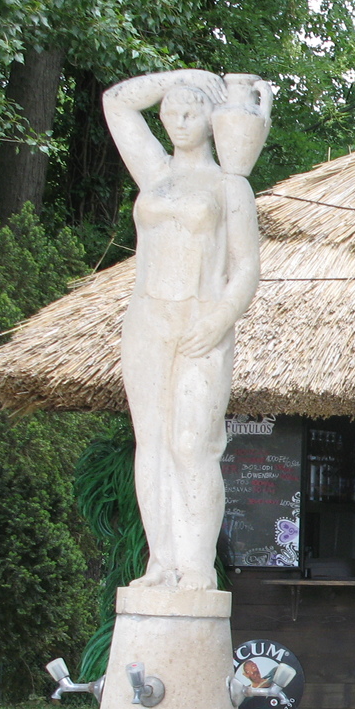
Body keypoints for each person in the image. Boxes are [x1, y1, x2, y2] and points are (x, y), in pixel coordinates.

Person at [104, 70, 268, 592]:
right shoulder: (154, 173)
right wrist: (182, 78)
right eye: (170, 112)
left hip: (201, 317)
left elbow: (246, 268)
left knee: (192, 443)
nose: (177, 121)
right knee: (149, 442)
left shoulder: (229, 186)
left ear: (211, 119)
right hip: (148, 316)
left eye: (190, 111)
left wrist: (219, 318)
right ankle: (162, 562)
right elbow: (116, 103)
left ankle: (195, 564)